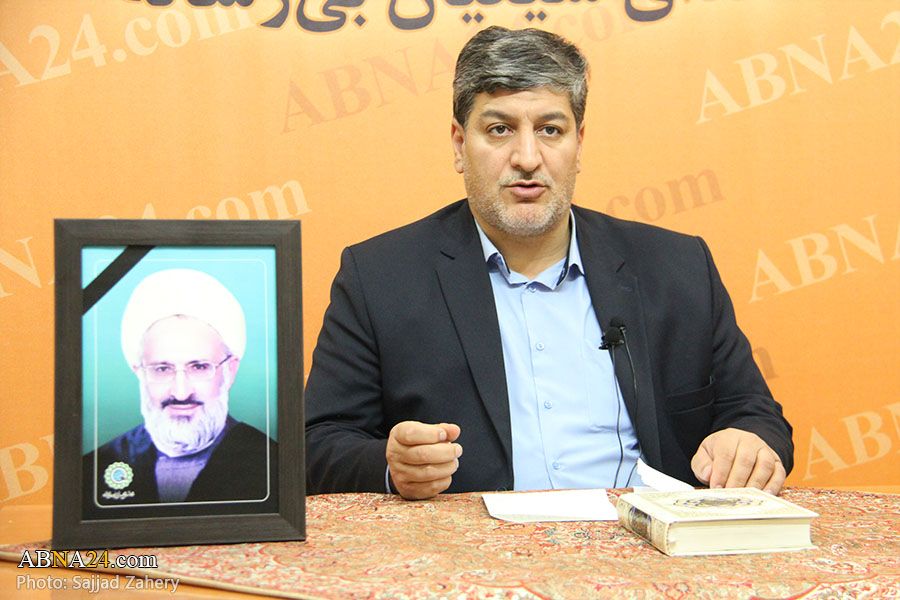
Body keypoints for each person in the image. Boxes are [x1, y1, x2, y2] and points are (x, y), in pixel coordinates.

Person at [305, 27, 793, 500]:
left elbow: (753, 412)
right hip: (473, 546)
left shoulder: (677, 266)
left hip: (643, 539)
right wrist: (390, 466)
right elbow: (316, 444)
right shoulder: (379, 277)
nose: (527, 157)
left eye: (550, 130)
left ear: (579, 143)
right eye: (499, 129)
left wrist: (748, 442)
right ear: (458, 144)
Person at [83, 268, 275, 511]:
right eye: (162, 369)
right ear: (139, 372)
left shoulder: (271, 462)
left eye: (199, 367)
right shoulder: (97, 467)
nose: (181, 392)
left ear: (230, 370)